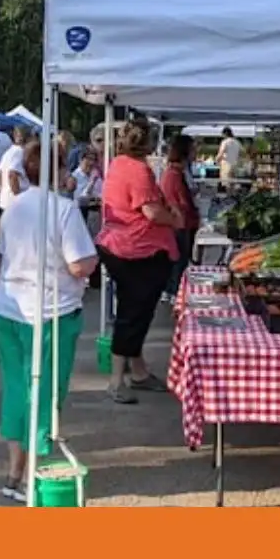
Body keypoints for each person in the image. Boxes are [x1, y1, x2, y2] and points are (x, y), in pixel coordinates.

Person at [0, 139, 99, 502]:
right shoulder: (64, 211)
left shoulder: (12, 209)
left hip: (10, 309)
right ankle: (31, 475)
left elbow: (3, 255)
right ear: (60, 171)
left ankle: (13, 471)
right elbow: (78, 263)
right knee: (44, 392)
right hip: (50, 311)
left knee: (16, 387)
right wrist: (93, 263)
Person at [96, 117, 181, 403]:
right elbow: (152, 213)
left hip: (118, 246)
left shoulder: (117, 164)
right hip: (138, 250)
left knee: (136, 312)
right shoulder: (140, 171)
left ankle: (139, 371)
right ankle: (117, 380)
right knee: (133, 314)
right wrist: (174, 219)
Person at [160, 134, 202, 302]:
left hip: (183, 223)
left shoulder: (180, 171)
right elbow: (176, 201)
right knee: (178, 259)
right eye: (193, 149)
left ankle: (174, 291)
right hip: (179, 224)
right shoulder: (173, 174)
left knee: (181, 259)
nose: (196, 152)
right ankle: (173, 292)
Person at [0, 126, 32, 215]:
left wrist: (3, 190)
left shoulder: (8, 152)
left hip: (5, 200)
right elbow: (12, 174)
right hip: (16, 202)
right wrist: (17, 197)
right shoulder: (20, 152)